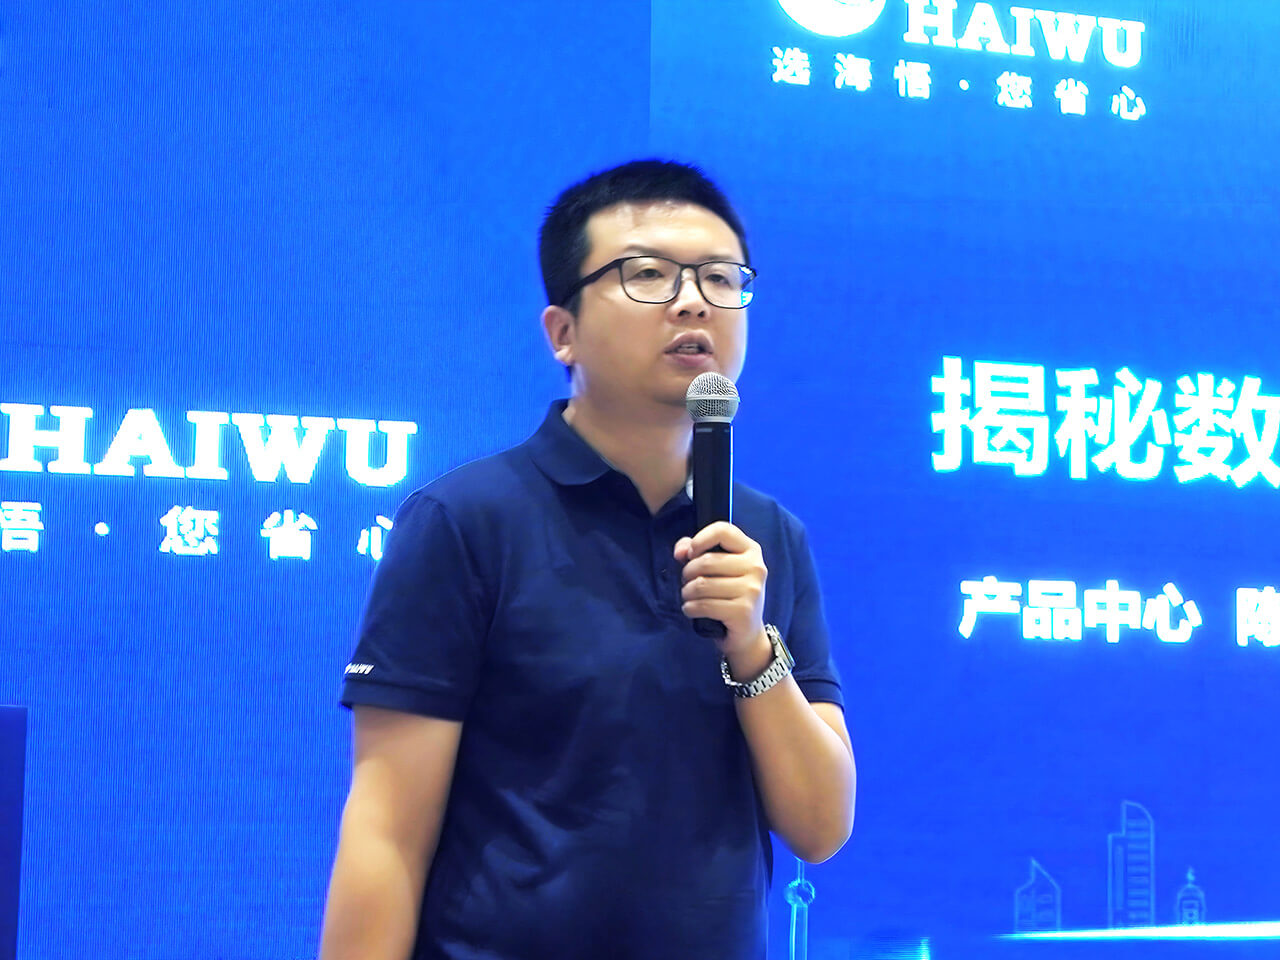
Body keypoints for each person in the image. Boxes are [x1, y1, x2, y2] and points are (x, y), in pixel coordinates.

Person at [319, 159, 855, 960]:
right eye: (647, 275)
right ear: (561, 332)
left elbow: (820, 826)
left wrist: (751, 647)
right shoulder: (466, 521)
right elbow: (386, 831)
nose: (693, 301)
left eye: (720, 278)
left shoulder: (769, 538)